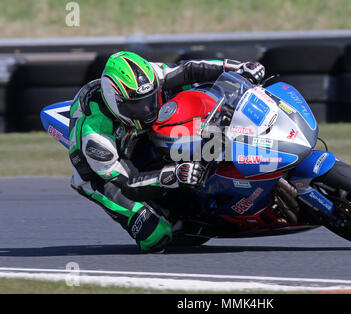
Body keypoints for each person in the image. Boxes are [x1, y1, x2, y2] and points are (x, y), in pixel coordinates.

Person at [68, 51, 265, 252]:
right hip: (104, 176)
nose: (148, 109)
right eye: (138, 106)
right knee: (157, 236)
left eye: (150, 99)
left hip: (130, 131)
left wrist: (235, 68)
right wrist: (172, 175)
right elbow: (127, 184)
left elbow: (188, 70)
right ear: (116, 103)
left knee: (191, 92)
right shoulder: (96, 138)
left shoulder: (147, 78)